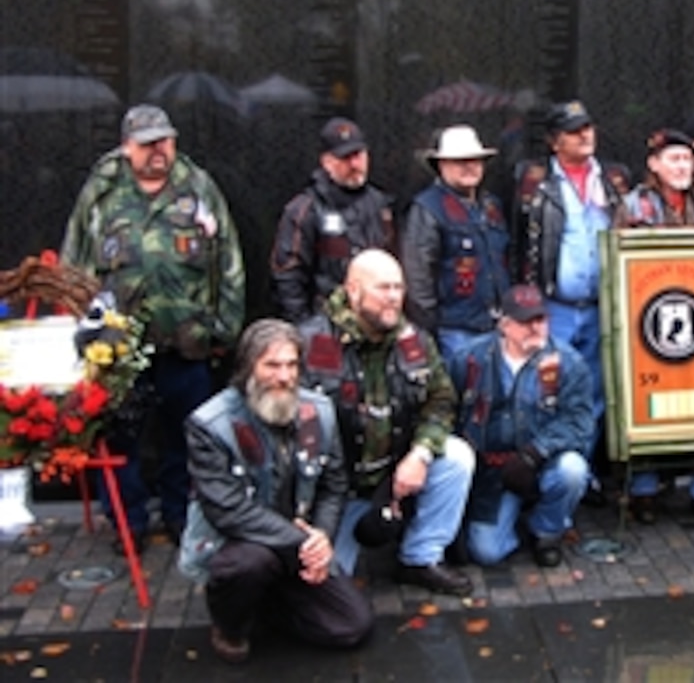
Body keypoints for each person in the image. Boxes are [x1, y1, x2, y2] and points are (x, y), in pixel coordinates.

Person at [60, 104, 245, 552]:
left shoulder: (198, 188)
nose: (158, 151)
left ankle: (182, 516)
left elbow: (228, 260)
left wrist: (224, 329)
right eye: (147, 144)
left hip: (188, 342)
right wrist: (83, 334)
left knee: (190, 438)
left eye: (164, 141)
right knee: (121, 440)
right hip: (119, 349)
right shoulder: (102, 193)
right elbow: (74, 264)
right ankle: (130, 522)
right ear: (127, 147)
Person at [179, 319, 372, 663]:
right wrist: (304, 544)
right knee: (251, 563)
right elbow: (228, 510)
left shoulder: (320, 412)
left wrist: (323, 538)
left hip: (298, 544)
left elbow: (334, 484)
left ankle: (266, 607)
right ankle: (229, 625)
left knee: (352, 626)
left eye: (291, 365)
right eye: (271, 365)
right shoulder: (209, 425)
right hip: (241, 544)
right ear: (247, 367)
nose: (284, 376)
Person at [297, 248, 476, 597]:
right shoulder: (310, 342)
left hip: (393, 476)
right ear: (353, 290)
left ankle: (420, 558)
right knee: (328, 588)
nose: (394, 297)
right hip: (337, 491)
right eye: (383, 288)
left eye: (398, 287)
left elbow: (440, 401)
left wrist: (420, 454)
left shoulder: (415, 341)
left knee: (456, 456)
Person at [509, 100, 630, 497]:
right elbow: (518, 242)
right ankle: (550, 472)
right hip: (555, 306)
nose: (585, 136)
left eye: (588, 127)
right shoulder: (538, 183)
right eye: (575, 130)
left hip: (600, 307)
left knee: (594, 391)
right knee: (547, 389)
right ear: (554, 140)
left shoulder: (611, 180)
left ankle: (584, 471)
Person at [615, 129, 694, 527]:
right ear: (654, 164)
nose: (682, 167)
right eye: (673, 160)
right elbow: (617, 269)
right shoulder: (633, 206)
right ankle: (643, 490)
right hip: (646, 324)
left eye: (687, 159)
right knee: (647, 401)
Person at [446, 284, 592, 567]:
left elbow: (579, 422)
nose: (537, 328)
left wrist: (534, 453)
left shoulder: (569, 363)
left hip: (542, 462)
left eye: (542, 319)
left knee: (573, 471)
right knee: (487, 553)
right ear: (505, 325)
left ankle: (546, 531)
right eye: (527, 322)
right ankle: (507, 517)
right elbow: (446, 413)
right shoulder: (469, 358)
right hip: (491, 472)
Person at [270, 117, 396, 323]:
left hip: (373, 325)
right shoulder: (304, 209)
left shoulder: (380, 205)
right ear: (327, 162)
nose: (355, 164)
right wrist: (304, 328)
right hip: (325, 323)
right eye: (345, 158)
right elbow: (287, 276)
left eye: (359, 155)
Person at [401, 125, 510, 360]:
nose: (469, 166)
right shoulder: (428, 208)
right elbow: (418, 278)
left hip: (499, 328)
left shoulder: (492, 206)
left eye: (475, 160)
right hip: (454, 332)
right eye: (460, 161)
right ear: (441, 165)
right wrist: (429, 333)